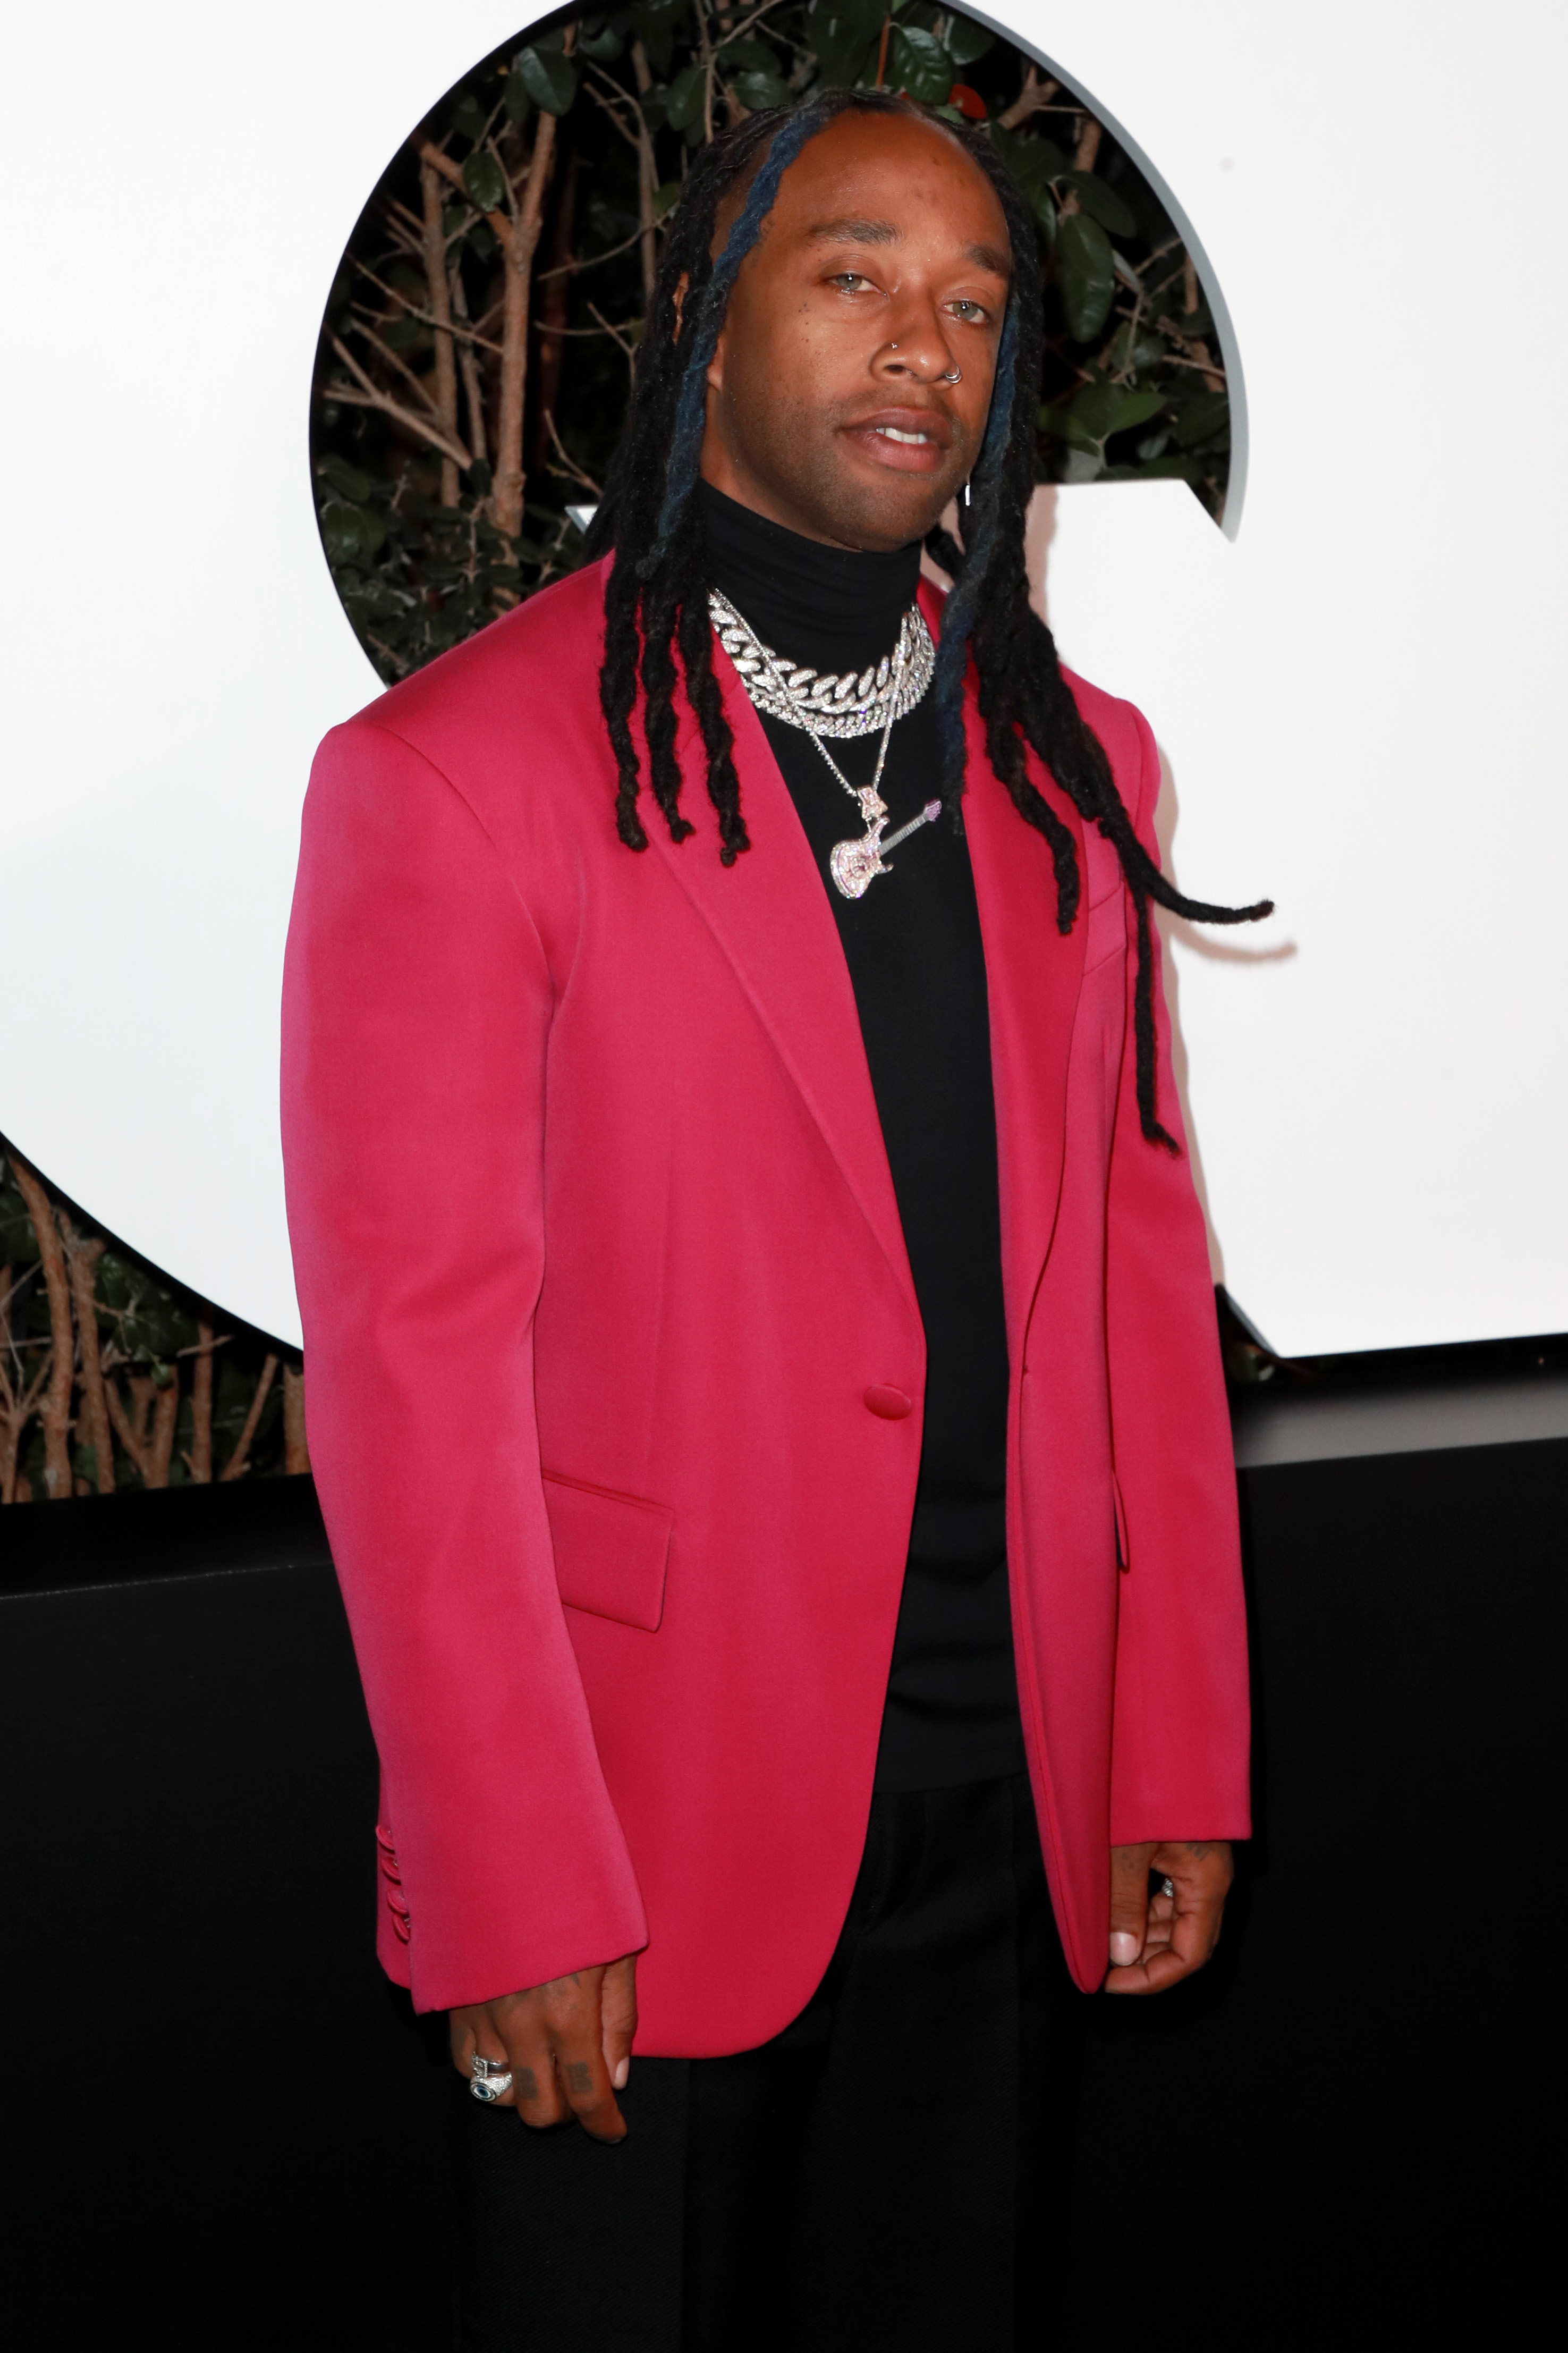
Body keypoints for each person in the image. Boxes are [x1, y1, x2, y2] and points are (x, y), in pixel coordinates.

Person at [283, 85, 1268, 2351]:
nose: (925, 344)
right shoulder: (457, 775)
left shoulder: (1076, 760)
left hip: (1013, 1784)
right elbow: (413, 1391)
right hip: (637, 1833)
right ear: (709, 326)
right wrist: (510, 1876)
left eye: (975, 305)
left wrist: (1175, 1744)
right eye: (854, 279)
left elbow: (1140, 1281)